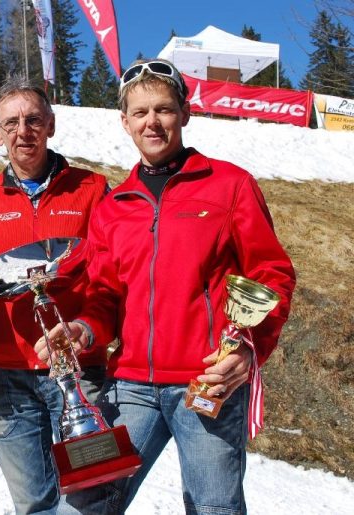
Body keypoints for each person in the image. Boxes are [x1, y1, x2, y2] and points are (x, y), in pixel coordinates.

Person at [68, 59, 296, 514]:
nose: (152, 122)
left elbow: (271, 273)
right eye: (140, 113)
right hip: (129, 386)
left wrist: (249, 349)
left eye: (164, 110)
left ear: (185, 114)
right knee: (81, 501)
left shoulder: (230, 185)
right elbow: (104, 295)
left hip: (207, 383)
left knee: (215, 508)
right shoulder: (114, 206)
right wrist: (84, 330)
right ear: (125, 122)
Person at [0, 78, 113, 515]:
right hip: (6, 376)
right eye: (10, 123)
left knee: (90, 496)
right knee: (31, 502)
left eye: (33, 120)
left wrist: (88, 330)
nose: (22, 131)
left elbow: (110, 275)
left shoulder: (92, 189)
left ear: (50, 125)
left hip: (81, 371)